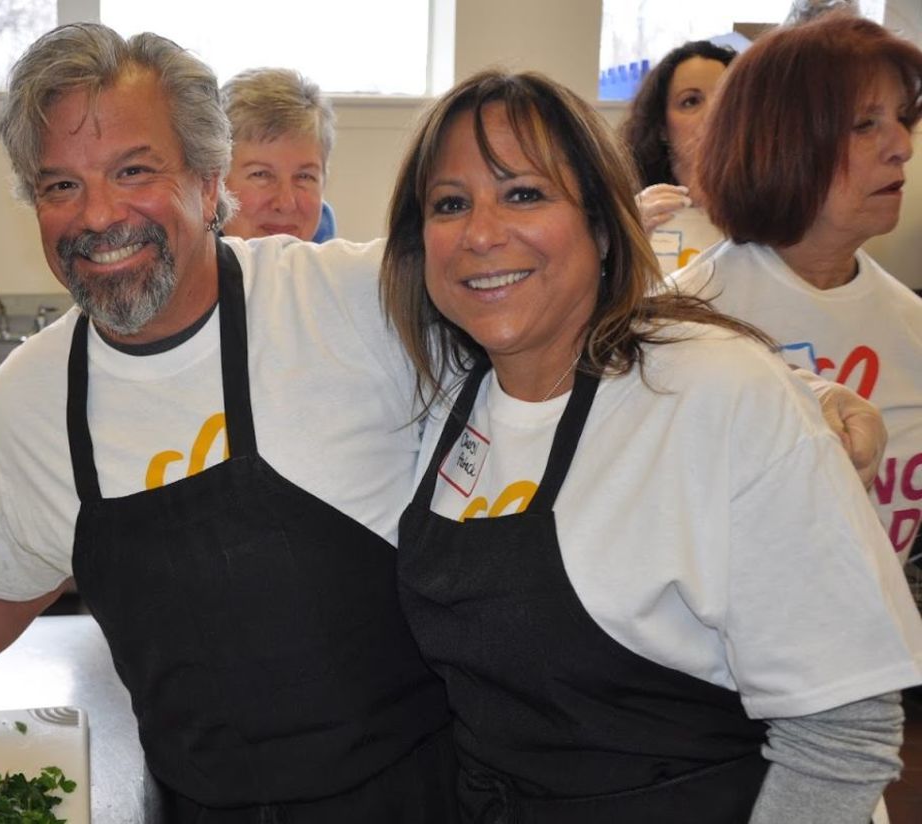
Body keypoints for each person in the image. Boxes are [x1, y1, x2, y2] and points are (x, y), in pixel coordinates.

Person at [0, 23, 456, 823]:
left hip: (419, 797)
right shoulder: (33, 395)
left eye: (133, 171)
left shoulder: (355, 302)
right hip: (201, 807)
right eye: (60, 187)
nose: (99, 215)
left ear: (206, 181)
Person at [380, 68, 922, 823]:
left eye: (525, 193)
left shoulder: (714, 394)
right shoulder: (441, 404)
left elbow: (845, 733)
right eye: (449, 204)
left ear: (603, 226)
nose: (480, 233)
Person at [682, 13, 922, 563]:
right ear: (779, 143)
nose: (901, 147)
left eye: (902, 119)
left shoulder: (912, 325)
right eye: (865, 124)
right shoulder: (684, 319)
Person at [619, 40, 736, 273]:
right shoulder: (628, 211)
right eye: (691, 101)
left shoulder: (772, 217)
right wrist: (625, 239)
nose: (714, 114)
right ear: (661, 126)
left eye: (726, 97)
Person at [220, 67, 338, 242]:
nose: (286, 204)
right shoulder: (175, 260)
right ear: (212, 184)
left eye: (304, 177)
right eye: (261, 175)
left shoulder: (328, 256)